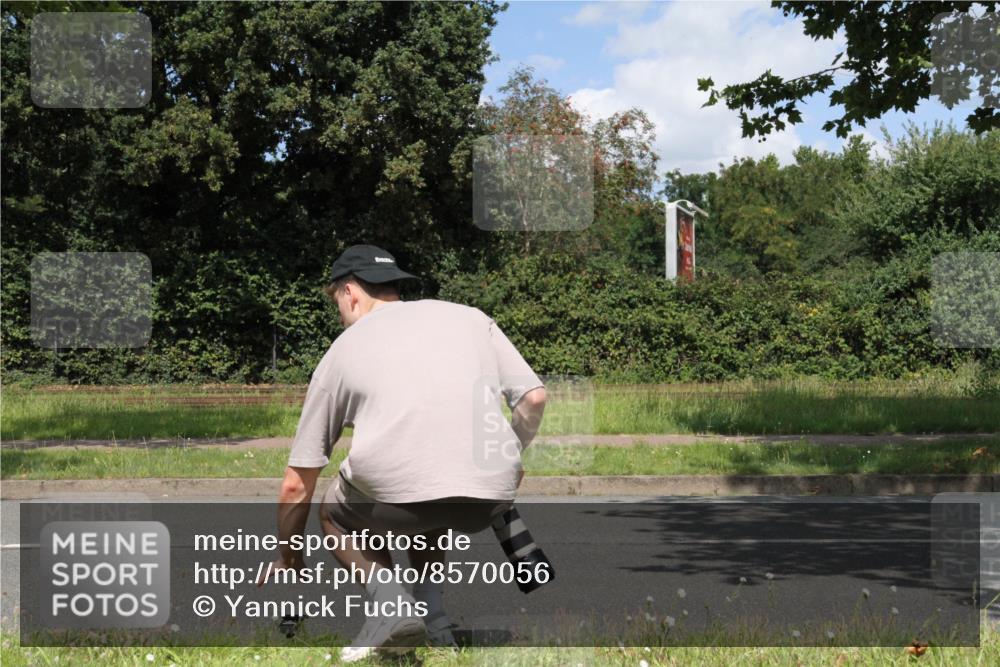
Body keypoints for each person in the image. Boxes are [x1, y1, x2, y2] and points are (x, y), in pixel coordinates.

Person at [259, 244, 546, 662]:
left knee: (335, 513)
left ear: (350, 292)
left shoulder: (344, 348)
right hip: (488, 497)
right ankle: (436, 624)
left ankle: (390, 606)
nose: (340, 314)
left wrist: (289, 554)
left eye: (338, 302)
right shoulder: (470, 318)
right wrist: (511, 450)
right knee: (426, 494)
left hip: (392, 498)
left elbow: (294, 484)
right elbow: (534, 399)